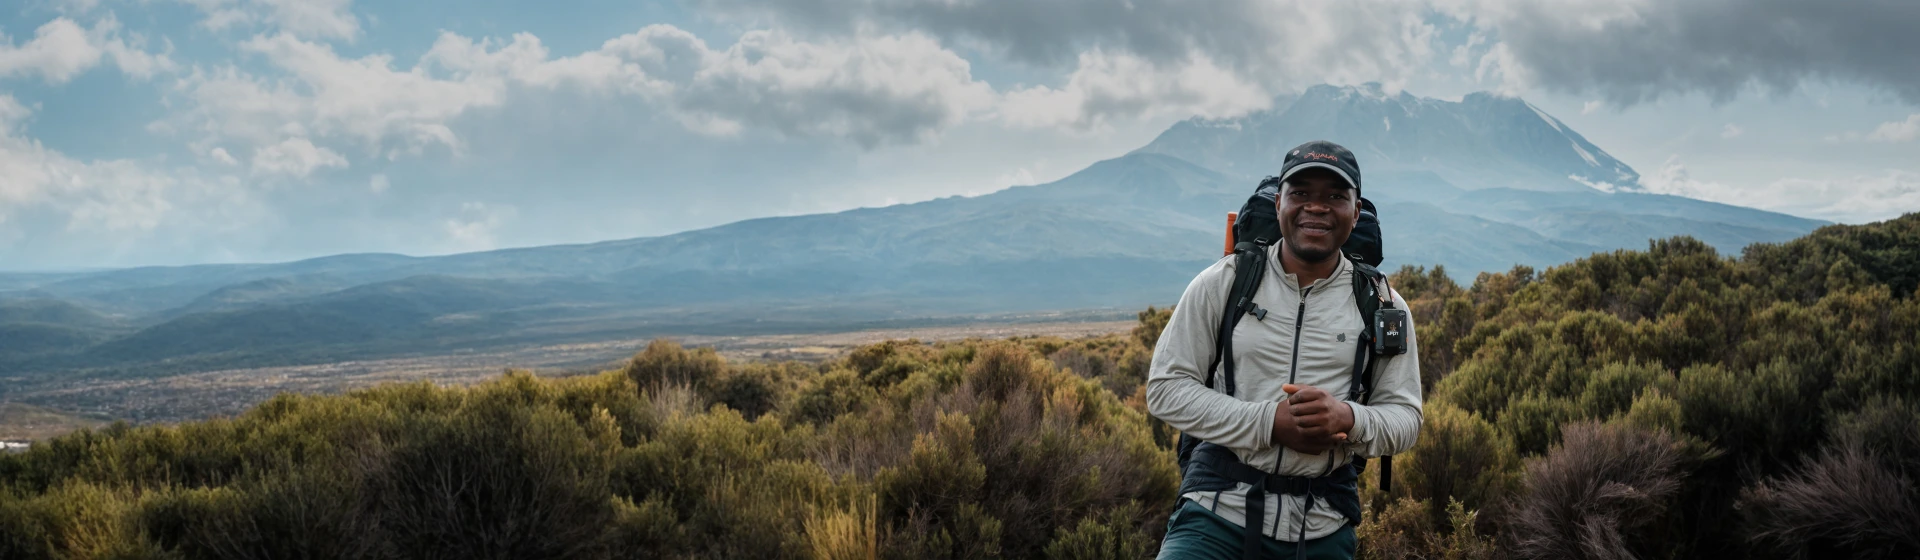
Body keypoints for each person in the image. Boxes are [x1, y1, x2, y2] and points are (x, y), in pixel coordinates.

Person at [1146, 141, 1424, 560]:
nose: (1317, 207)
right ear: (1279, 203)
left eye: (1334, 196)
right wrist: (1269, 422)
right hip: (1214, 517)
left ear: (1356, 211)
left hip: (1323, 526)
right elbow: (1165, 389)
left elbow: (1406, 417)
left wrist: (1348, 418)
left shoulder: (1383, 305)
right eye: (1301, 193)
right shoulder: (1223, 283)